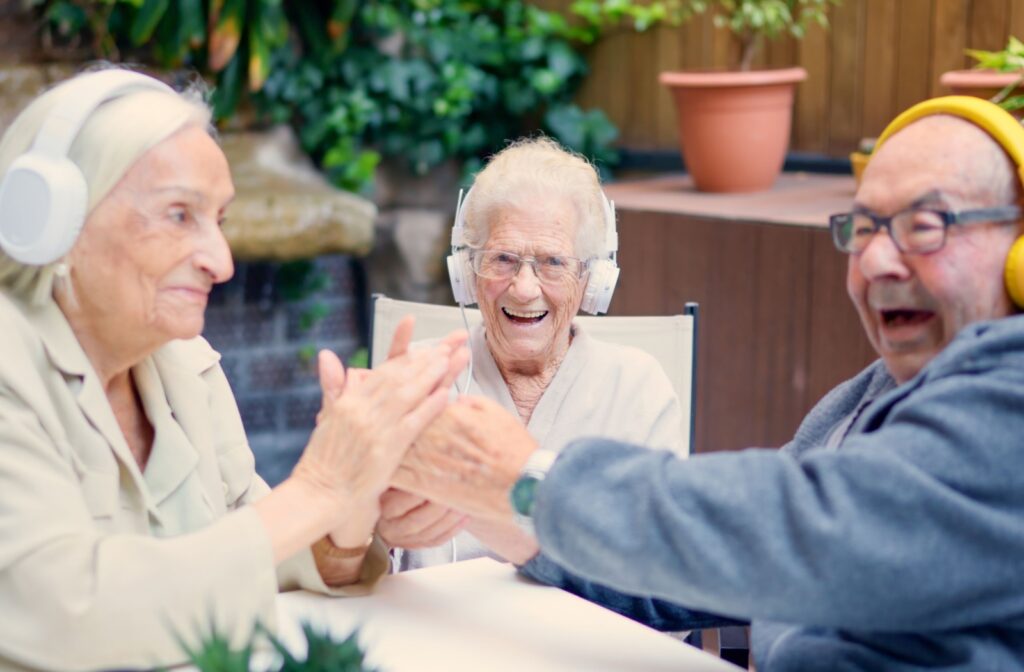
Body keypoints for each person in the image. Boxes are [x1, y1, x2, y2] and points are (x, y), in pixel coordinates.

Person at [390, 96, 1024, 670]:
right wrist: (527, 529)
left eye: (924, 225)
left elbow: (791, 528)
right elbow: (699, 571)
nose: (878, 262)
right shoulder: (861, 399)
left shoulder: (1010, 404)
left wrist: (527, 486)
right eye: (863, 230)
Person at [0, 68, 467, 671]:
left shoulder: (181, 361)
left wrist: (351, 507)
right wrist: (321, 485)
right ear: (50, 219)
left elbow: (255, 550)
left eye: (218, 221)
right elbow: (69, 615)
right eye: (178, 216)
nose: (221, 263)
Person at [376, 138, 685, 571]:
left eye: (553, 262)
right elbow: (349, 572)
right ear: (467, 271)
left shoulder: (637, 389)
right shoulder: (414, 380)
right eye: (502, 258)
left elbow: (666, 582)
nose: (523, 288)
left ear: (592, 279)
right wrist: (370, 530)